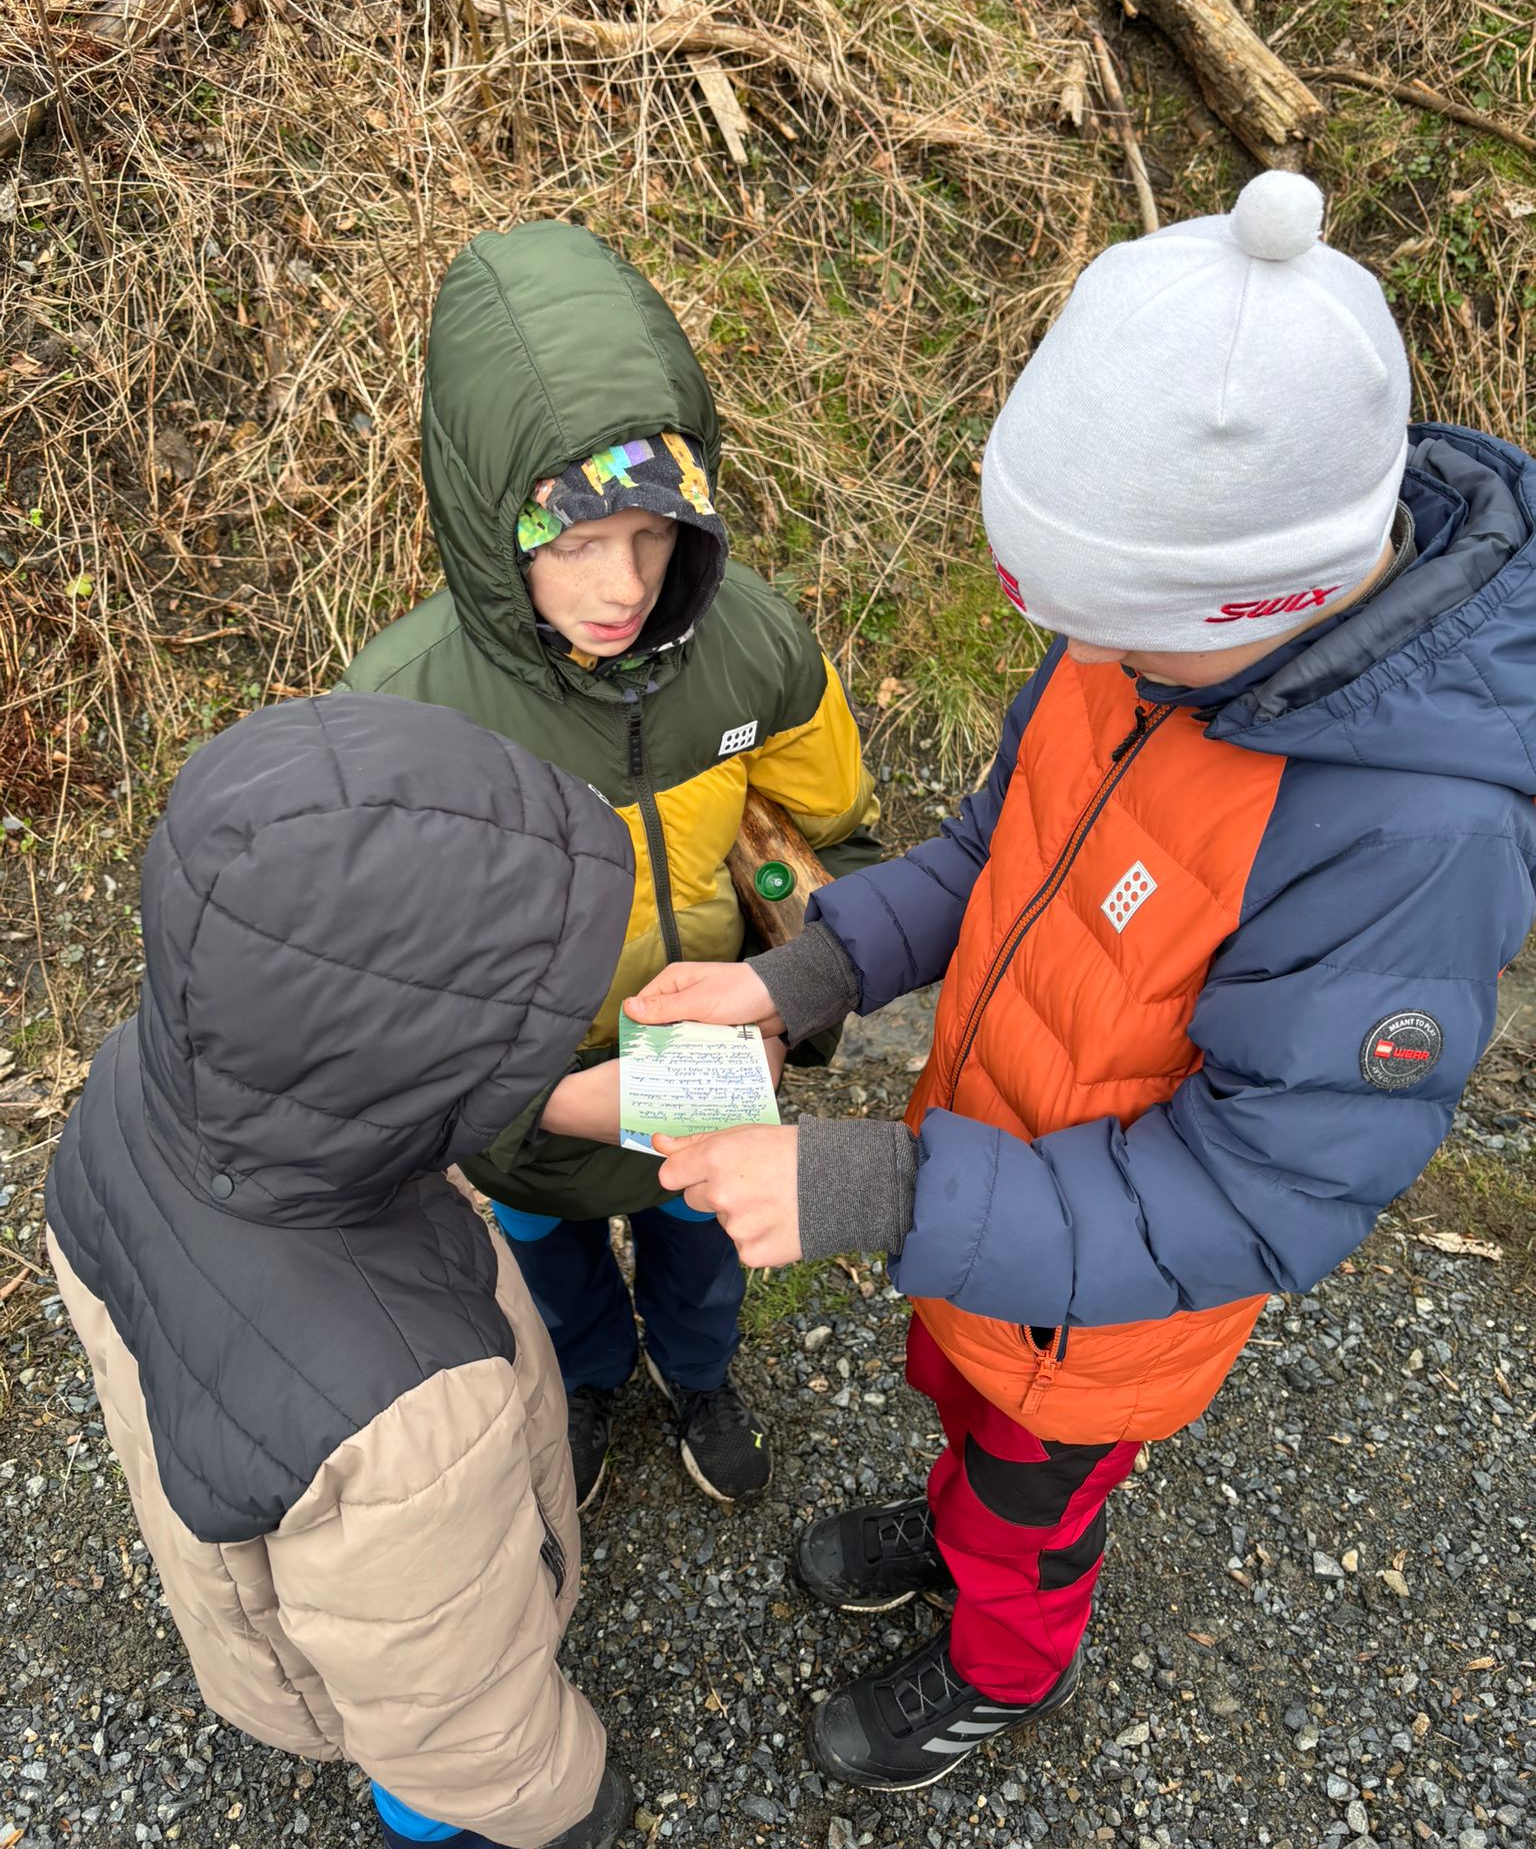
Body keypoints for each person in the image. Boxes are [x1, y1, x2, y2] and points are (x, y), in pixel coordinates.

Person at [627, 170, 1536, 1790]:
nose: (1046, 629)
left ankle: (1001, 1666)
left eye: (1093, 610)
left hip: (1101, 1312)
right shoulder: (1141, 637)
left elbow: (1264, 1192)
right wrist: (804, 975)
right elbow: (995, 853)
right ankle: (960, 1508)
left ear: (1253, 600)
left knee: (1037, 1508)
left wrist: (872, 1177)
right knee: (977, 1432)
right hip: (987, 1209)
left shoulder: (1410, 835)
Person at [341, 220, 879, 1508]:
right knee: (548, 1255)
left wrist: (789, 1011)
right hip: (539, 1111)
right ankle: (585, 1384)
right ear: (488, 524)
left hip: (716, 1078)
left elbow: (839, 833)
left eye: (650, 533)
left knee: (706, 1250)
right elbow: (382, 988)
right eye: (573, 542)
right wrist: (536, 1106)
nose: (624, 584)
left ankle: (700, 1379)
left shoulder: (752, 645)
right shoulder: (408, 711)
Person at [46, 693, 639, 1849]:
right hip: (408, 1655)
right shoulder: (415, 1413)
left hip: (265, 1580)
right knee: (432, 1762)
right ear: (396, 1059)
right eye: (516, 1025)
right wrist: (568, 1796)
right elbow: (455, 1707)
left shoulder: (143, 1080)